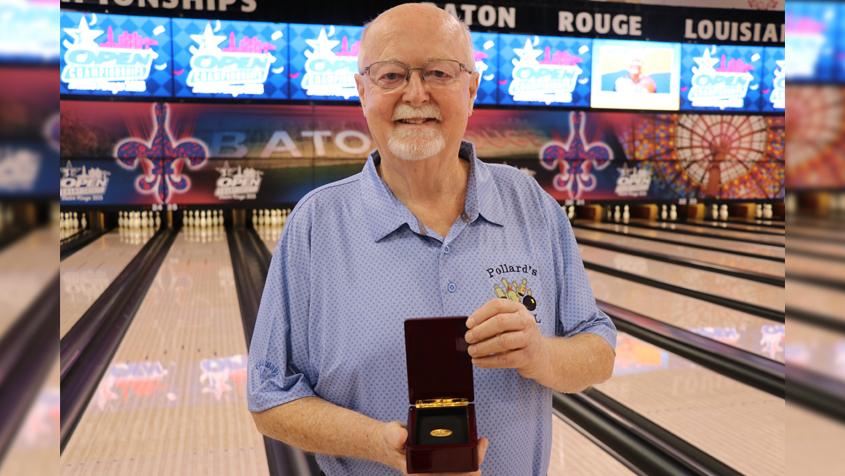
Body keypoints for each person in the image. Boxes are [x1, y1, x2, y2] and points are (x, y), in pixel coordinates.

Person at [248, 4, 616, 476]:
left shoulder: (531, 204)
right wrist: (377, 442)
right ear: (362, 92)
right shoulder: (315, 225)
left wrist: (541, 354)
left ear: (471, 89)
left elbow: (598, 350)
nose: (416, 93)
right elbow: (269, 397)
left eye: (439, 72)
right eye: (391, 75)